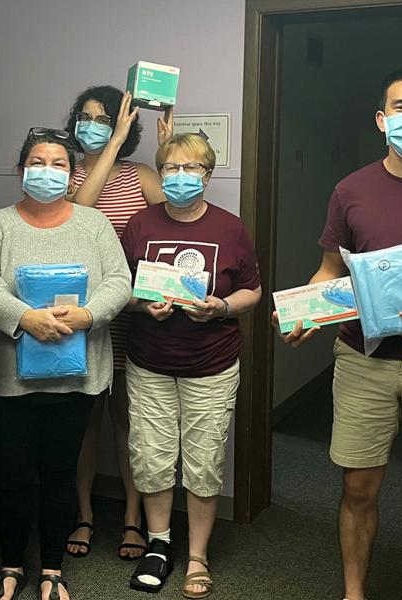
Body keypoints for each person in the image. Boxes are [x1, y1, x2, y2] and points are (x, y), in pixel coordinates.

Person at [275, 65, 402, 600]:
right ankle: (354, 593)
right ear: (382, 120)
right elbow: (330, 270)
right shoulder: (351, 189)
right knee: (358, 489)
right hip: (364, 361)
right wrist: (306, 312)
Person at [0, 128, 131, 600]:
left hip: (77, 374)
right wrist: (24, 317)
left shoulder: (93, 224)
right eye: (37, 162)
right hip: (11, 376)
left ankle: (53, 570)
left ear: (71, 173)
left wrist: (86, 315)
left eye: (58, 163)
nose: (47, 171)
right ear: (21, 171)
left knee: (61, 474)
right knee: (14, 474)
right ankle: (11, 565)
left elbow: (119, 281)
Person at [122, 133, 261, 598]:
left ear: (208, 173)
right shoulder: (140, 224)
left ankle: (197, 555)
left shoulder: (230, 228)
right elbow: (122, 288)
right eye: (171, 169)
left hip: (212, 363)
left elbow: (253, 290)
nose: (181, 177)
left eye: (191, 169)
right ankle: (159, 545)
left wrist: (221, 307)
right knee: (152, 456)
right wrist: (145, 307)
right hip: (150, 363)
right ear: (160, 173)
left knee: (203, 462)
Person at [64, 87, 166, 561]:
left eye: (104, 119)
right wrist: (110, 145)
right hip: (80, 318)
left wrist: (163, 153)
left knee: (129, 424)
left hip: (132, 316)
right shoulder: (64, 172)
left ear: (124, 125)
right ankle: (83, 514)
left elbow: (172, 223)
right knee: (84, 424)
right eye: (85, 117)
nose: (92, 124)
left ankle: (132, 519)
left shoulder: (140, 174)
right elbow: (82, 210)